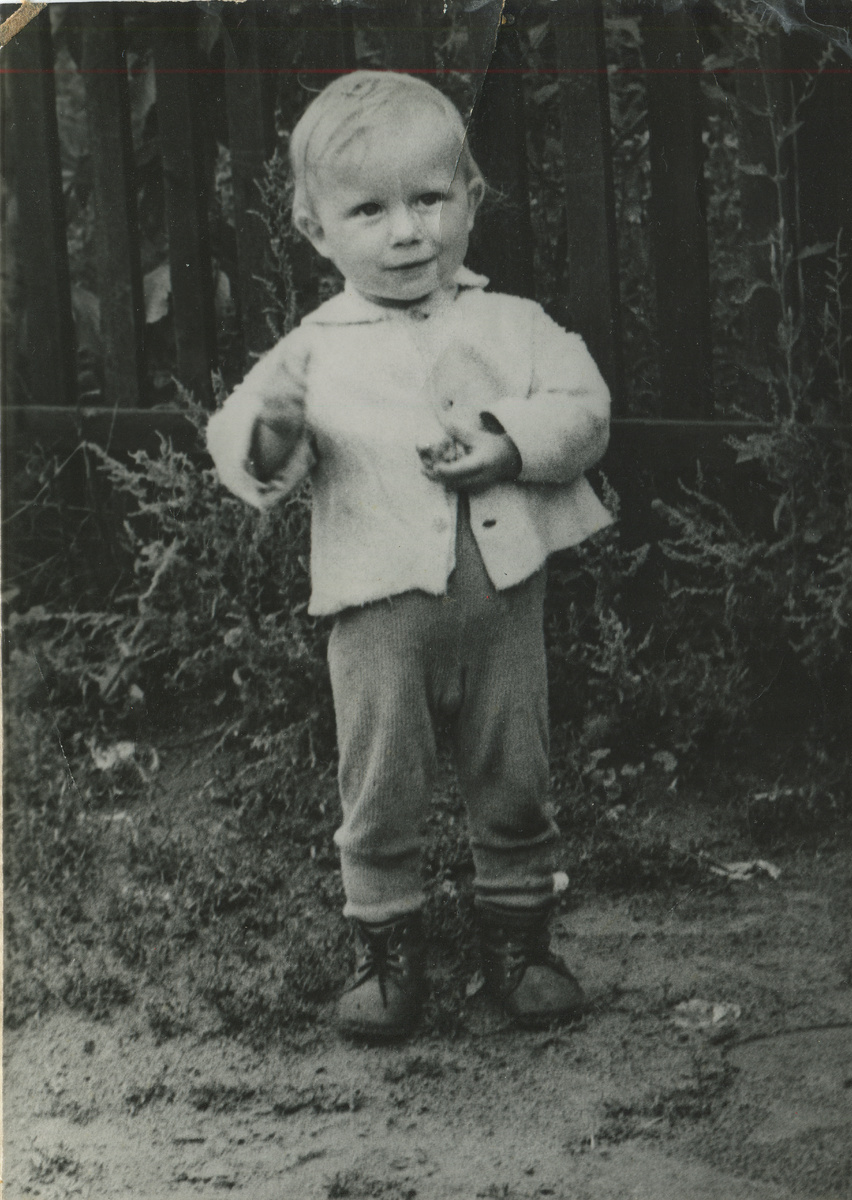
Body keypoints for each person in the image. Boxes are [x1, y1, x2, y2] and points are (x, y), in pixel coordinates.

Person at [206, 71, 612, 1040]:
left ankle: (518, 945)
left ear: (470, 196)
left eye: (430, 199)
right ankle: (388, 953)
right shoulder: (311, 350)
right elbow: (249, 457)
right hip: (377, 614)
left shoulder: (513, 325)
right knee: (381, 781)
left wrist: (510, 442)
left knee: (514, 771)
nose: (406, 232)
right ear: (316, 232)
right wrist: (271, 430)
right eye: (369, 210)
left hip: (500, 605)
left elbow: (583, 412)